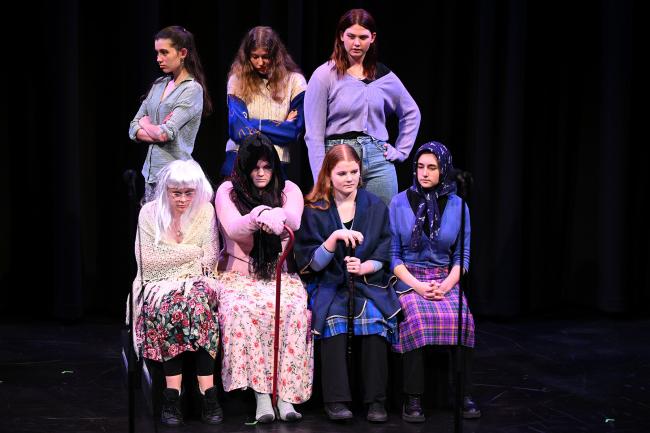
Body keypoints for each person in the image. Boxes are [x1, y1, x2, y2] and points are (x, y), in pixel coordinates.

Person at [294, 144, 401, 422]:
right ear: (328, 175)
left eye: (354, 171)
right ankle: (337, 399)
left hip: (366, 283)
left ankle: (376, 400)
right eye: (342, 173)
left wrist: (365, 266)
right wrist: (332, 240)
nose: (350, 178)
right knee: (332, 322)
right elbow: (310, 263)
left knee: (376, 322)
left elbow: (384, 248)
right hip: (330, 284)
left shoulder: (374, 205)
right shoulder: (315, 209)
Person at [214, 133, 313, 423]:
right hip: (239, 277)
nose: (260, 173)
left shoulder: (288, 189)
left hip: (279, 274)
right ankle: (260, 396)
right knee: (242, 311)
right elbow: (233, 228)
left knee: (293, 311)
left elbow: (293, 220)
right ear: (244, 168)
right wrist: (258, 215)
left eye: (266, 167)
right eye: (254, 167)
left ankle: (285, 397)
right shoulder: (227, 192)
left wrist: (276, 213)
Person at [388, 141, 480, 422]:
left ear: (444, 170)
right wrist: (417, 286)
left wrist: (446, 286)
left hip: (444, 280)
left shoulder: (458, 205)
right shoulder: (399, 202)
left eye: (432, 167)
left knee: (463, 320)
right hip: (409, 278)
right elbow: (393, 256)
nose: (424, 173)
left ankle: (464, 394)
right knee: (416, 318)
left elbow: (462, 256)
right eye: (419, 167)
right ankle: (412, 398)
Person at [129, 159, 222, 426]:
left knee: (198, 302)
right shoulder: (149, 213)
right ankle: (172, 395)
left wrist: (172, 255)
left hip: (198, 282)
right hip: (157, 285)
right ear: (165, 190)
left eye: (188, 193)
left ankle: (208, 393)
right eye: (175, 193)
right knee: (172, 304)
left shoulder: (206, 211)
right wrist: (192, 252)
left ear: (198, 191)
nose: (182, 199)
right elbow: (146, 261)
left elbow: (210, 260)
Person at [304, 8, 421, 205]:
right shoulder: (325, 75)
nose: (356, 43)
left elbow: (412, 113)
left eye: (362, 37)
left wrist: (401, 151)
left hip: (377, 159)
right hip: (339, 156)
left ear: (372, 38)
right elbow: (314, 135)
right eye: (350, 36)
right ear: (342, 36)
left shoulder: (383, 76)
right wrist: (320, 177)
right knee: (342, 225)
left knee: (383, 225)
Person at [129, 25, 213, 203]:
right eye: (157, 53)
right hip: (151, 175)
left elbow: (165, 133)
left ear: (182, 53)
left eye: (164, 52)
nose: (158, 59)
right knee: (153, 229)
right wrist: (152, 129)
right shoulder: (159, 84)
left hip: (175, 178)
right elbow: (132, 127)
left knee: (171, 229)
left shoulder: (192, 89)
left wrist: (146, 124)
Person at [222, 26, 306, 180]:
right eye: (255, 57)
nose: (260, 62)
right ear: (247, 56)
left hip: (275, 161)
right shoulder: (237, 80)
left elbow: (293, 131)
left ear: (276, 55)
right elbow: (237, 129)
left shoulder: (295, 82)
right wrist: (279, 125)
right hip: (238, 157)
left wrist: (251, 124)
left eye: (266, 56)